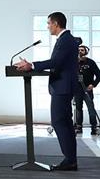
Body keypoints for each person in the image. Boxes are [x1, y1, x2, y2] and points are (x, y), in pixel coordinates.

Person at [15, 11, 80, 170]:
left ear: (56, 24)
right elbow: (58, 63)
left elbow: (56, 61)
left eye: (49, 23)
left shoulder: (65, 40)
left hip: (63, 87)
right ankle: (71, 159)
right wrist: (32, 65)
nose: (48, 26)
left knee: (59, 122)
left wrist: (32, 65)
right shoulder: (65, 39)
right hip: (63, 86)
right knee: (65, 123)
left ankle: (70, 160)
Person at [74, 44, 100, 136]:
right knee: (78, 109)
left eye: (82, 50)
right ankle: (79, 127)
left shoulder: (91, 62)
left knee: (91, 109)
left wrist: (93, 85)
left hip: (88, 90)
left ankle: (94, 127)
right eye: (78, 50)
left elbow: (99, 75)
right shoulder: (74, 63)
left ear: (86, 52)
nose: (80, 52)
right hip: (77, 90)